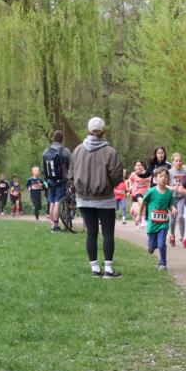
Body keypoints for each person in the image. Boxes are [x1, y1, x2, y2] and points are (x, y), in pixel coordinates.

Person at [70, 117, 125, 278]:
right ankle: (108, 269)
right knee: (108, 233)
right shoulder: (110, 152)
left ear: (88, 130)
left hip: (83, 198)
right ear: (104, 131)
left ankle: (95, 269)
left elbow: (71, 174)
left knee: (91, 232)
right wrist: (109, 185)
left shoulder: (78, 150)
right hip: (105, 198)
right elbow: (117, 175)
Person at [139, 167, 177, 271]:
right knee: (152, 247)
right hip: (152, 223)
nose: (163, 178)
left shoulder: (169, 193)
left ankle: (162, 263)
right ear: (155, 179)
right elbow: (143, 202)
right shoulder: (151, 191)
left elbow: (170, 205)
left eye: (165, 177)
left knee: (161, 244)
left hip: (163, 223)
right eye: (161, 176)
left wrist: (173, 208)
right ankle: (150, 246)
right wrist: (139, 215)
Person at [42, 130, 72, 232]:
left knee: (51, 202)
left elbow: (43, 169)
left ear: (53, 138)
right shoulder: (65, 151)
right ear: (62, 138)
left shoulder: (46, 151)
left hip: (50, 180)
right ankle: (55, 225)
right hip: (60, 180)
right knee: (58, 202)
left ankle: (51, 224)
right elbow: (70, 165)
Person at [168, 152, 186, 246]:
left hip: (181, 197)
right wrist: (172, 188)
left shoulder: (185, 172)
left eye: (180, 160)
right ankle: (172, 235)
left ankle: (181, 237)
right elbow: (165, 185)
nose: (178, 162)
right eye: (176, 160)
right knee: (172, 218)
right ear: (172, 162)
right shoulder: (169, 172)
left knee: (181, 216)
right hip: (172, 197)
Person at [127, 160, 151, 230]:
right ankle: (142, 220)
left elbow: (150, 180)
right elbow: (130, 180)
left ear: (143, 166)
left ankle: (139, 220)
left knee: (135, 211)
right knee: (140, 203)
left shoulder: (147, 173)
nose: (138, 167)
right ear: (135, 167)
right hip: (136, 193)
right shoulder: (133, 174)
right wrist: (130, 187)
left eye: (140, 165)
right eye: (137, 165)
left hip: (145, 193)